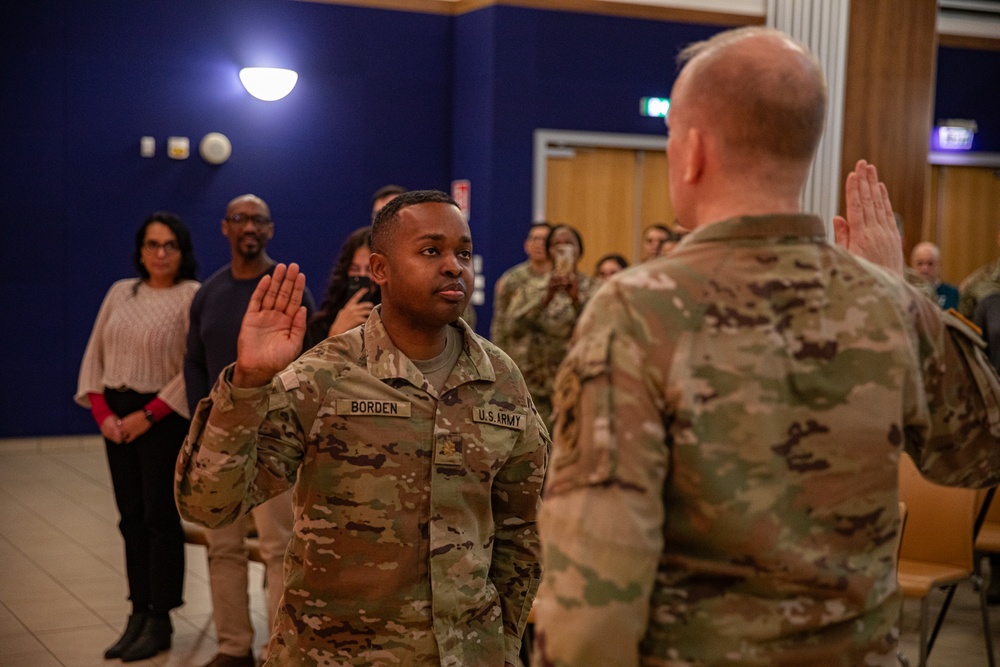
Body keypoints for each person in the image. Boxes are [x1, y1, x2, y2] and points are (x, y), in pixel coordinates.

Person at [532, 26, 1000, 667]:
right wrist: (904, 292)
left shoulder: (638, 309)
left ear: (692, 151)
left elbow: (599, 582)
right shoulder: (891, 305)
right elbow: (980, 457)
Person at [175, 190, 549, 667]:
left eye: (464, 252)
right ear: (379, 270)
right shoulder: (324, 375)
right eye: (431, 250)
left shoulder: (500, 378)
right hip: (336, 655)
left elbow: (521, 531)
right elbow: (208, 504)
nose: (454, 266)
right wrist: (247, 382)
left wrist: (500, 644)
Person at [184, 194, 316, 667]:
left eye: (258, 219)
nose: (249, 227)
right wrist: (204, 428)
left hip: (274, 443)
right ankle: (233, 646)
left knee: (280, 547)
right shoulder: (210, 292)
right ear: (225, 228)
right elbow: (194, 361)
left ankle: (275, 648)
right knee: (223, 547)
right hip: (220, 442)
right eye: (240, 219)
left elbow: (309, 368)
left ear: (270, 229)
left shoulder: (287, 290)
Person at [75, 212, 199, 662]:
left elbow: (192, 367)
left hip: (162, 418)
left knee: (158, 518)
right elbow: (96, 355)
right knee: (129, 518)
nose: (160, 253)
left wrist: (148, 416)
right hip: (117, 418)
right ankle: (137, 611)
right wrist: (105, 415)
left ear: (182, 252)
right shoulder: (119, 293)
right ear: (140, 249)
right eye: (152, 244)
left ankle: (161, 618)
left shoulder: (192, 296)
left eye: (169, 245)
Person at [494, 224, 595, 422]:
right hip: (531, 383)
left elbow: (597, 330)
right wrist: (545, 298)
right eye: (556, 245)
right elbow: (511, 327)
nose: (562, 250)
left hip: (573, 381)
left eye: (568, 245)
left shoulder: (592, 288)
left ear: (579, 250)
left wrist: (576, 301)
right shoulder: (529, 288)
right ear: (549, 252)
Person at [306, 226, 376, 344]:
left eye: (370, 269)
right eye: (355, 269)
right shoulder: (323, 322)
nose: (362, 275)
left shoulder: (397, 319)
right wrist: (336, 333)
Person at [491, 222, 552, 350]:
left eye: (545, 240)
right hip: (518, 360)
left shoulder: (563, 281)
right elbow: (499, 323)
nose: (539, 243)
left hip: (553, 361)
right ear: (526, 245)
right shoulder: (511, 279)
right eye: (534, 239)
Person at [910, 241, 959, 309]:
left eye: (930, 264)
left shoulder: (954, 294)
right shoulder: (905, 293)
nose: (925, 269)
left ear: (939, 265)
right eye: (920, 264)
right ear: (912, 265)